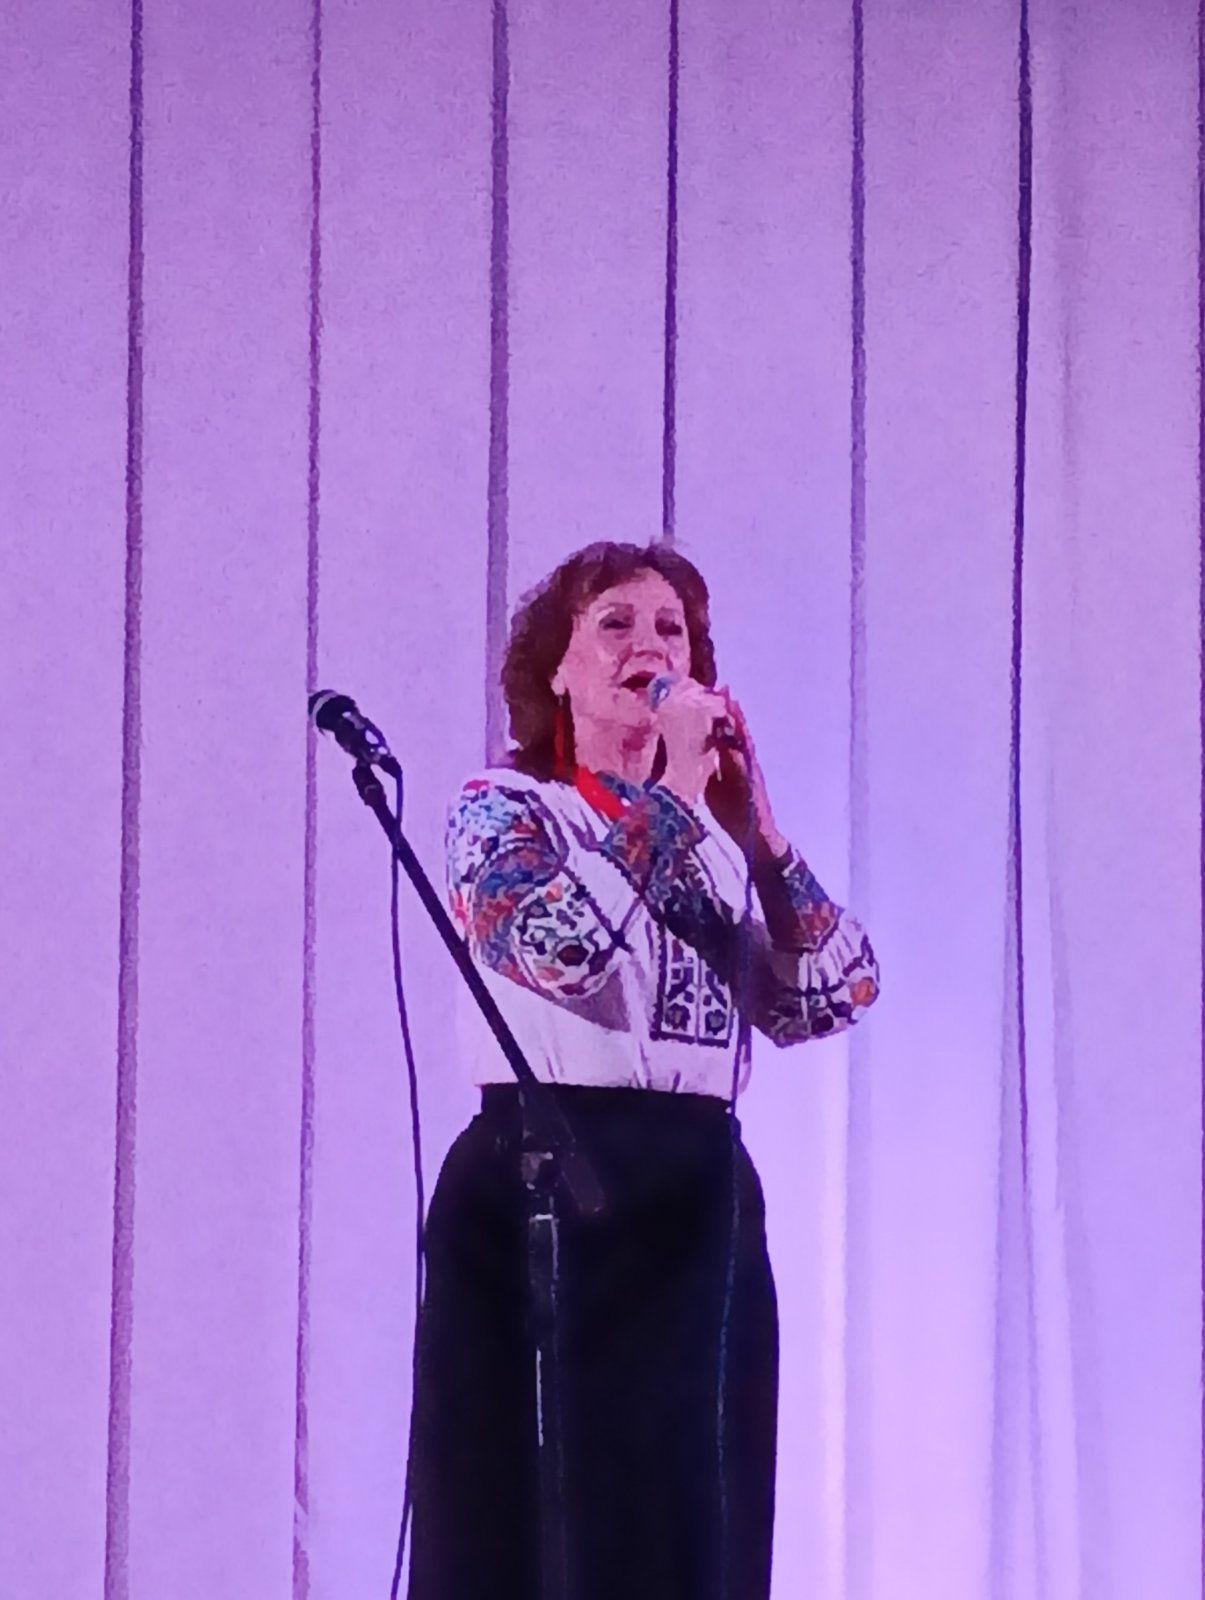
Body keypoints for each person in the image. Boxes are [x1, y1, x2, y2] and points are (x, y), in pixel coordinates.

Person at [405, 540, 879, 1600]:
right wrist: (669, 797)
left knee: (692, 1515)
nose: (650, 648)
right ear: (557, 670)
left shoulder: (712, 847)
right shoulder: (506, 809)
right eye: (614, 623)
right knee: (542, 1517)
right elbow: (560, 949)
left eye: (673, 630)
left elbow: (831, 995)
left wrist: (759, 838)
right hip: (549, 1180)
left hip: (694, 1196)